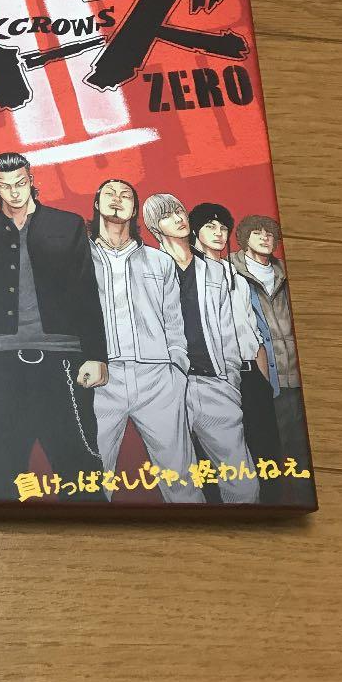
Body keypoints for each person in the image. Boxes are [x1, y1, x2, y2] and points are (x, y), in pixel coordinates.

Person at [0, 152, 108, 501]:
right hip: (2, 364)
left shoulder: (67, 225)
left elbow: (87, 292)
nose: (14, 192)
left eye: (20, 183)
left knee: (80, 468)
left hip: (63, 362)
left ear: (31, 180)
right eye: (5, 185)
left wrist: (96, 355)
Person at [88, 179, 201, 503]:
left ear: (135, 209)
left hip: (158, 379)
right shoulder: (79, 258)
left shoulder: (159, 261)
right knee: (94, 479)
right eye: (109, 194)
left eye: (125, 196)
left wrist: (177, 370)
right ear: (96, 204)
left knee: (181, 479)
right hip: (100, 379)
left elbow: (174, 322)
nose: (117, 199)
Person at [144, 194, 258, 504]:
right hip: (165, 389)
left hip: (213, 382)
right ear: (155, 227)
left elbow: (227, 331)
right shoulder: (146, 270)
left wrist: (229, 380)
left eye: (179, 211)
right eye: (167, 215)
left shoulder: (216, 271)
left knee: (241, 482)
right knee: (179, 485)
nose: (178, 218)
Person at [191, 202, 284, 503]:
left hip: (249, 373)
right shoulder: (185, 272)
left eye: (223, 228)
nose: (219, 233)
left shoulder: (236, 277)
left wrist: (262, 377)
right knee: (217, 460)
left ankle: (270, 510)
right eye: (210, 227)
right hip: (210, 377)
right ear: (195, 230)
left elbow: (252, 333)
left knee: (265, 451)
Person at [230, 214, 312, 482]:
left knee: (299, 455)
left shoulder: (286, 271)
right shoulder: (228, 271)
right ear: (244, 239)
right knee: (264, 453)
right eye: (257, 233)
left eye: (269, 234)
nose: (265, 238)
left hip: (294, 377)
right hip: (256, 377)